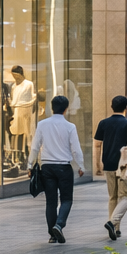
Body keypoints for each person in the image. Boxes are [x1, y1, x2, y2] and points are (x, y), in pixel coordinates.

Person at [27, 94, 85, 243]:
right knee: (66, 199)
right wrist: (81, 165)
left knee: (50, 201)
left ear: (51, 108)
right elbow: (76, 149)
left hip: (47, 167)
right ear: (66, 109)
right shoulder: (70, 127)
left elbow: (35, 147)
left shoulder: (42, 124)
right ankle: (59, 225)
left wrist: (29, 165)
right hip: (64, 167)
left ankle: (52, 235)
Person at [92, 95, 127, 241]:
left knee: (112, 197)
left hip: (108, 163)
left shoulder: (103, 123)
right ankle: (115, 225)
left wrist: (97, 165)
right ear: (126, 108)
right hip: (124, 165)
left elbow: (97, 145)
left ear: (111, 107)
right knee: (124, 196)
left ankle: (115, 226)